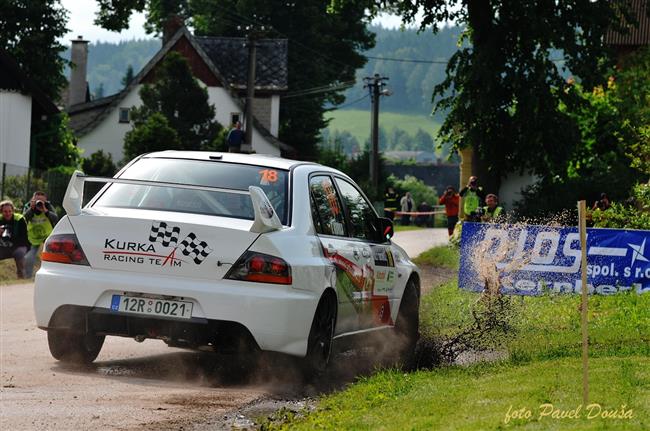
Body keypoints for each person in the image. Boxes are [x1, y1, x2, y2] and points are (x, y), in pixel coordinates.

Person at [23, 191, 59, 278]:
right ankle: (28, 277)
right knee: (28, 257)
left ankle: (52, 275)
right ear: (33, 199)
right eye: (37, 201)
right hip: (33, 237)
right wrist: (31, 209)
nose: (39, 203)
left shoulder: (48, 206)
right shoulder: (28, 206)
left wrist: (46, 211)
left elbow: (56, 218)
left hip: (48, 236)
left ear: (45, 200)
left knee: (53, 256)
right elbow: (24, 219)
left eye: (41, 201)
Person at [0, 200, 29, 279]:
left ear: (13, 210)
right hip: (3, 247)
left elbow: (25, 239)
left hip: (19, 246)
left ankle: (22, 277)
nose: (8, 213)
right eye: (5, 211)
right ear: (1, 212)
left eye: (10, 211)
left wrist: (11, 235)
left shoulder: (19, 219)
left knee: (19, 253)